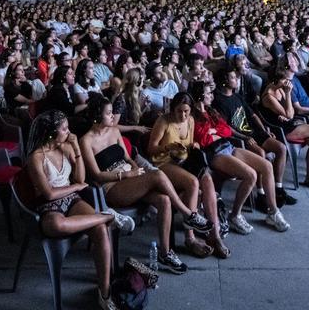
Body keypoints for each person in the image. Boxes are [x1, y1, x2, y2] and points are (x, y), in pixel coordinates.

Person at [80, 96, 212, 275]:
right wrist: (126, 174)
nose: (113, 117)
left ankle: (165, 253)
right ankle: (188, 213)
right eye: (109, 113)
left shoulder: (114, 132)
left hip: (132, 179)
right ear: (97, 116)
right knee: (157, 174)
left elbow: (128, 158)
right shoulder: (86, 141)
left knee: (164, 200)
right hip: (111, 186)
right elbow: (96, 175)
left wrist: (136, 171)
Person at [27, 111, 131, 310]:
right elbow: (48, 194)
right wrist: (75, 187)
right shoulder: (36, 157)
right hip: (49, 205)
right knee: (56, 224)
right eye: (64, 129)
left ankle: (105, 292)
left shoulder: (66, 147)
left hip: (72, 201)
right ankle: (106, 216)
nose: (69, 132)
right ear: (51, 133)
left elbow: (81, 179)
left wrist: (75, 148)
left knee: (100, 231)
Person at [190, 80, 289, 233]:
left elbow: (226, 131)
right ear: (200, 96)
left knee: (267, 166)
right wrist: (214, 133)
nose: (211, 95)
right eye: (208, 93)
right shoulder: (193, 117)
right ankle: (235, 215)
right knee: (251, 175)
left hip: (228, 147)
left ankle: (273, 212)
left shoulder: (211, 111)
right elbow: (202, 140)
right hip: (214, 154)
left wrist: (213, 132)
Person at [146, 93, 227, 259]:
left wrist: (193, 145)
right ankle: (190, 238)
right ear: (173, 109)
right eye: (179, 111)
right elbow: (151, 149)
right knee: (192, 182)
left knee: (207, 178)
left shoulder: (190, 120)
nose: (183, 115)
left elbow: (189, 144)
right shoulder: (163, 121)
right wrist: (167, 147)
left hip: (183, 160)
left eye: (186, 111)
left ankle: (214, 235)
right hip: (164, 163)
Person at [211, 69, 295, 207]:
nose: (237, 79)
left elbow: (253, 115)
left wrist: (264, 130)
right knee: (261, 153)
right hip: (240, 137)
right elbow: (226, 127)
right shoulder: (219, 101)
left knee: (281, 148)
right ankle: (260, 194)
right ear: (225, 81)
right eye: (233, 77)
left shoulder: (237, 96)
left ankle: (278, 188)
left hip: (254, 132)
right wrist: (244, 137)